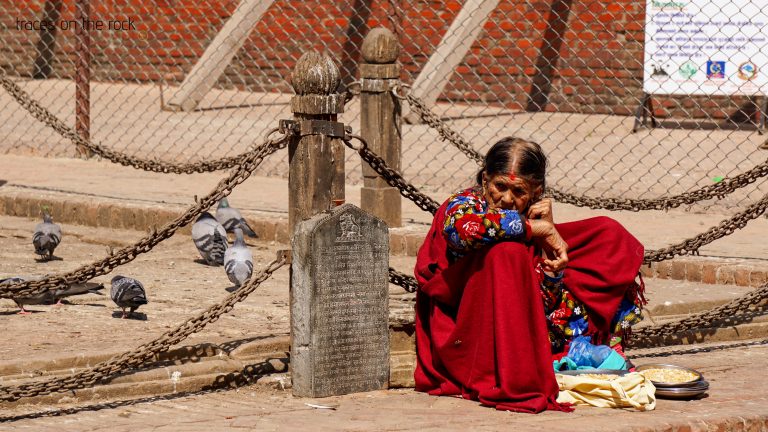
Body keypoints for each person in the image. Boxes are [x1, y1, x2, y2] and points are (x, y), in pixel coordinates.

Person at [413, 137, 646, 413]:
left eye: (519, 191)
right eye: (499, 186)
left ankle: (581, 346)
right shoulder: (463, 205)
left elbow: (541, 299)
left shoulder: (532, 218)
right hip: (466, 325)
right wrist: (539, 230)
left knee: (608, 234)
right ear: (486, 179)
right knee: (506, 251)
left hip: (520, 321)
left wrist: (552, 269)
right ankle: (516, 373)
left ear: (536, 192)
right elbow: (466, 230)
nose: (507, 199)